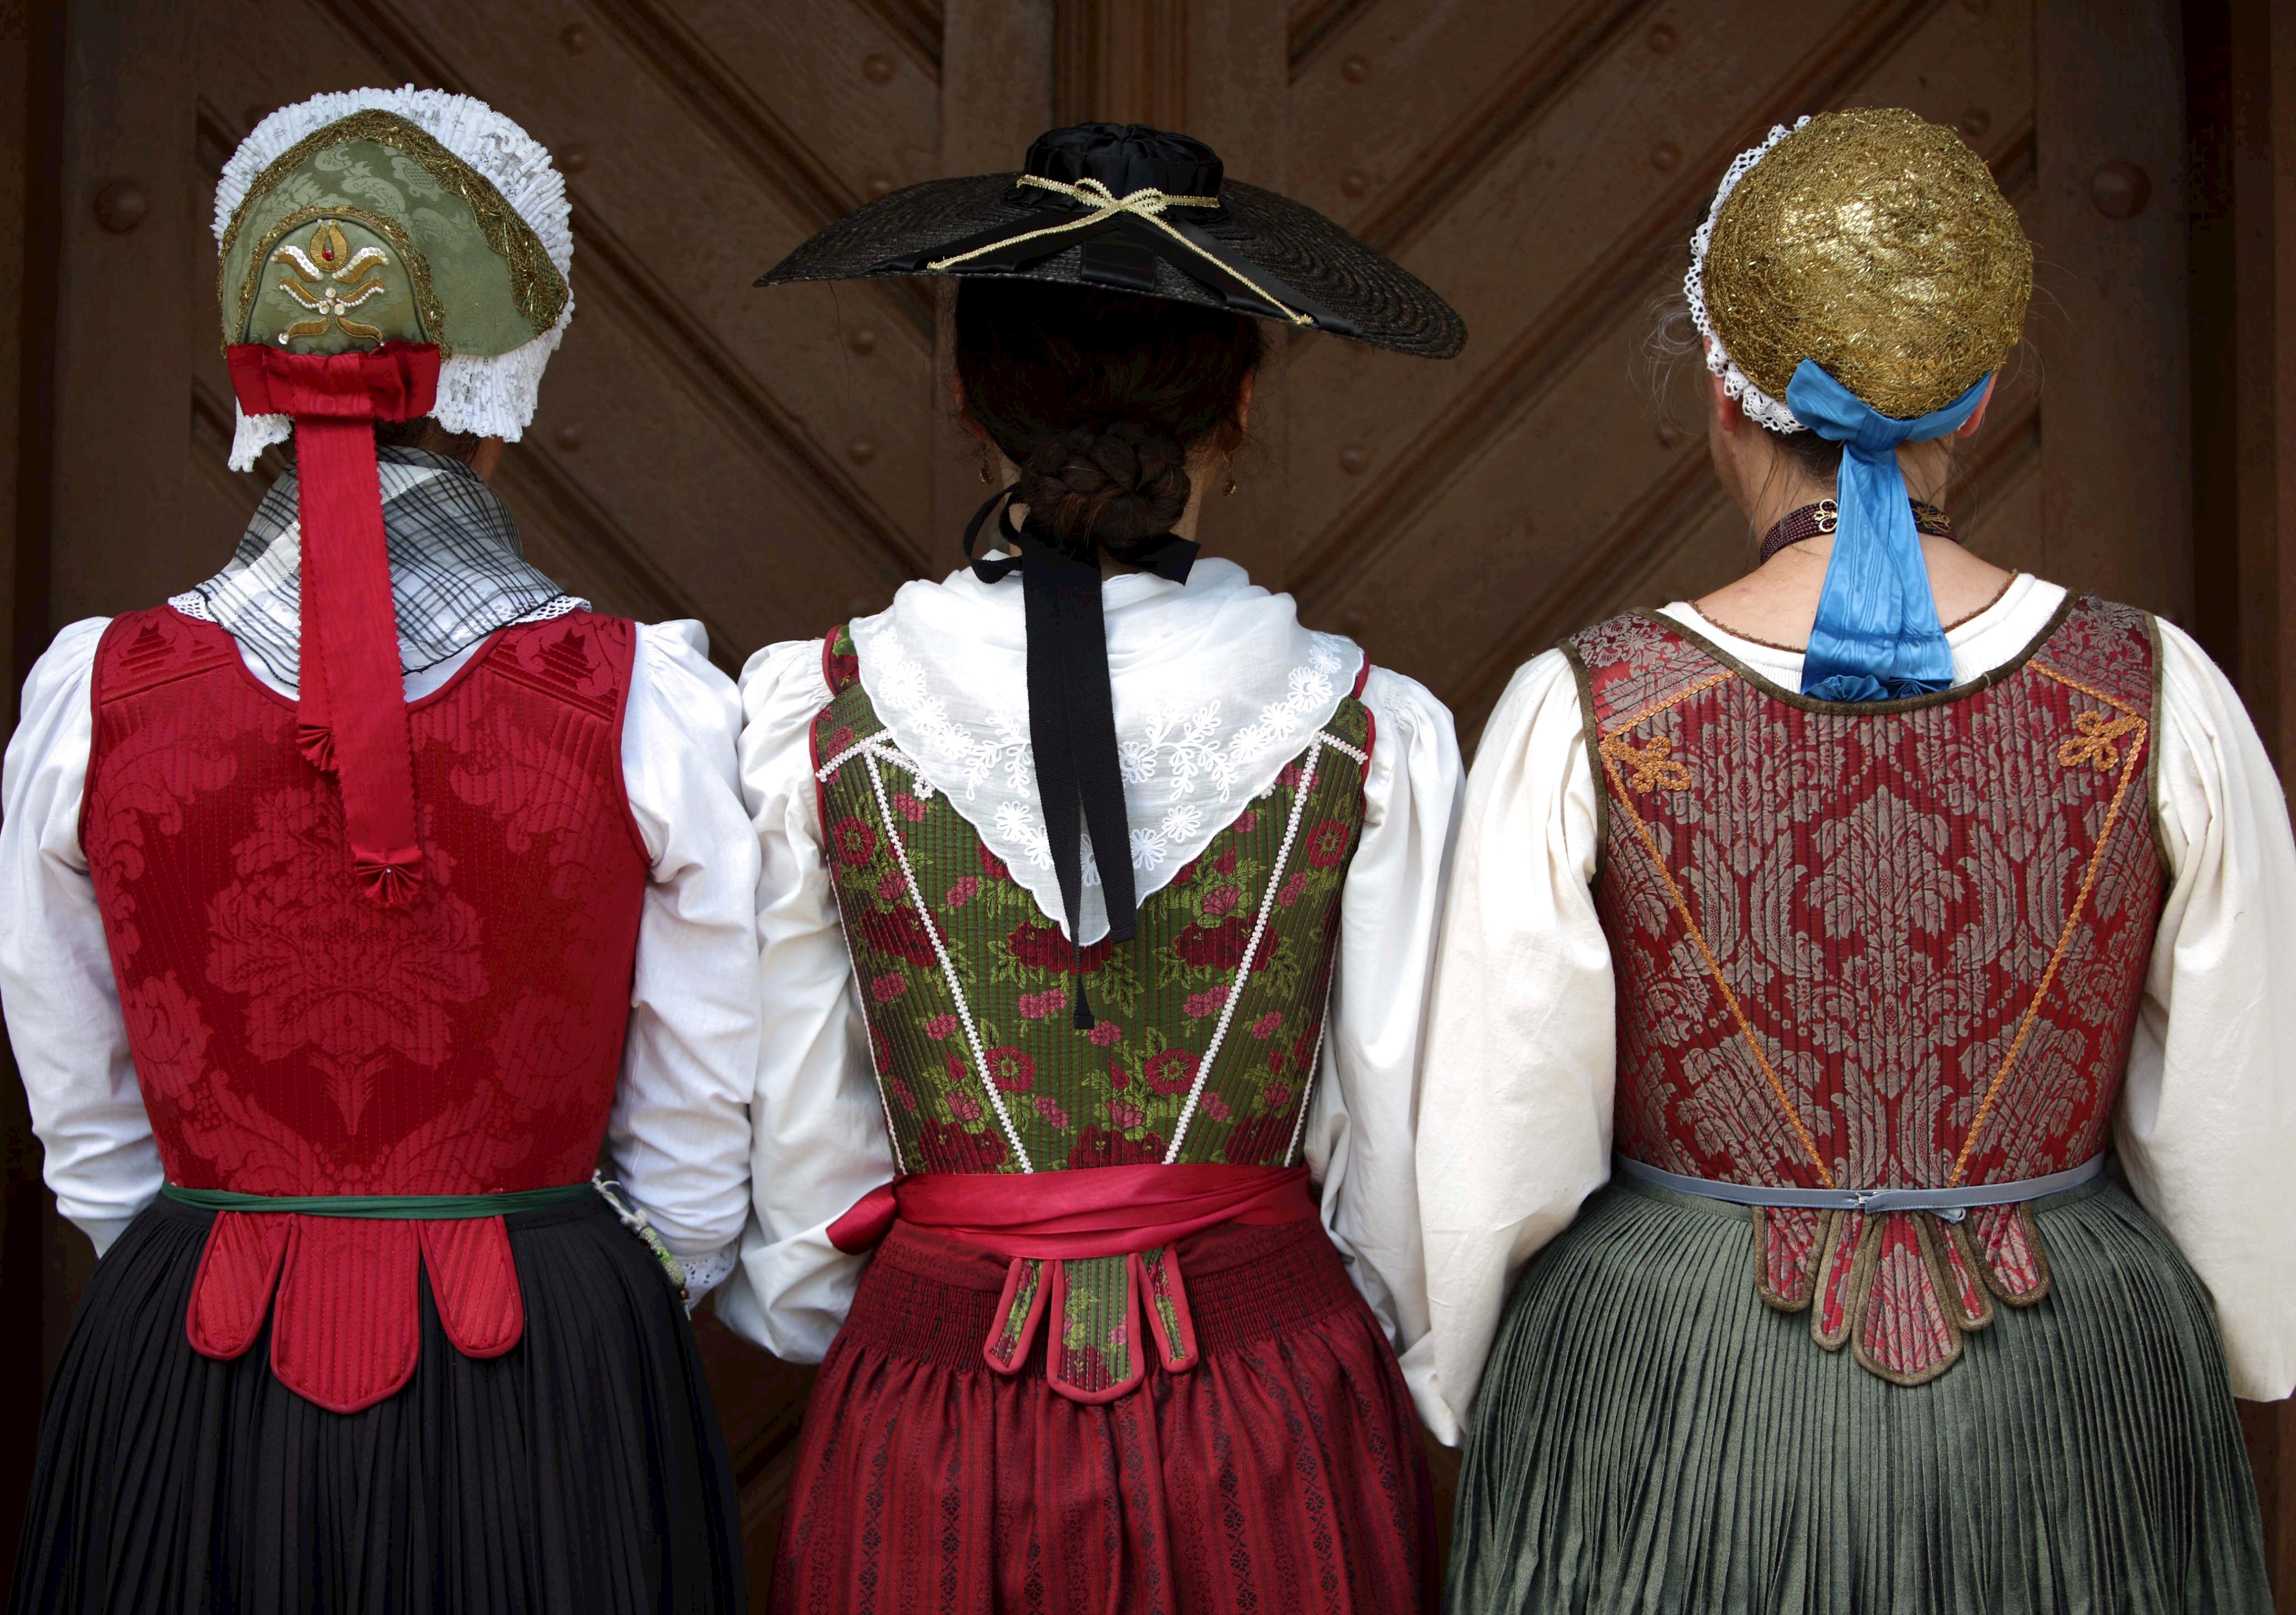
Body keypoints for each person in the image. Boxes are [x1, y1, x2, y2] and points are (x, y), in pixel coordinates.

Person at [1421, 107, 2293, 1613]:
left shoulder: (1587, 710)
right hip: (2062, 1389)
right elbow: (2238, 1140)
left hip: (1681, 1392)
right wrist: (2236, 1335)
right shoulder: (2160, 692)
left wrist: (1471, 1371)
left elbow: (1495, 1166)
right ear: (1979, 398)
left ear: (1722, 392)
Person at [2, 89, 757, 1612]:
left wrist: (217, 1233)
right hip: (544, 1352)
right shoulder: (644, 697)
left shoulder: (99, 688)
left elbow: (82, 1109)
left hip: (196, 1346)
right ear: (510, 378)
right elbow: (706, 1104)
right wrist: (609, 1283)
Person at [712, 123, 1466, 1612]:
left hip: (935, 1409)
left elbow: (801, 1186)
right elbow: (1398, 1181)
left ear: (964, 397)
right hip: (1270, 1408)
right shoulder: (1369, 727)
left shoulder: (824, 712)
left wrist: (911, 1295)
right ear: (1240, 403)